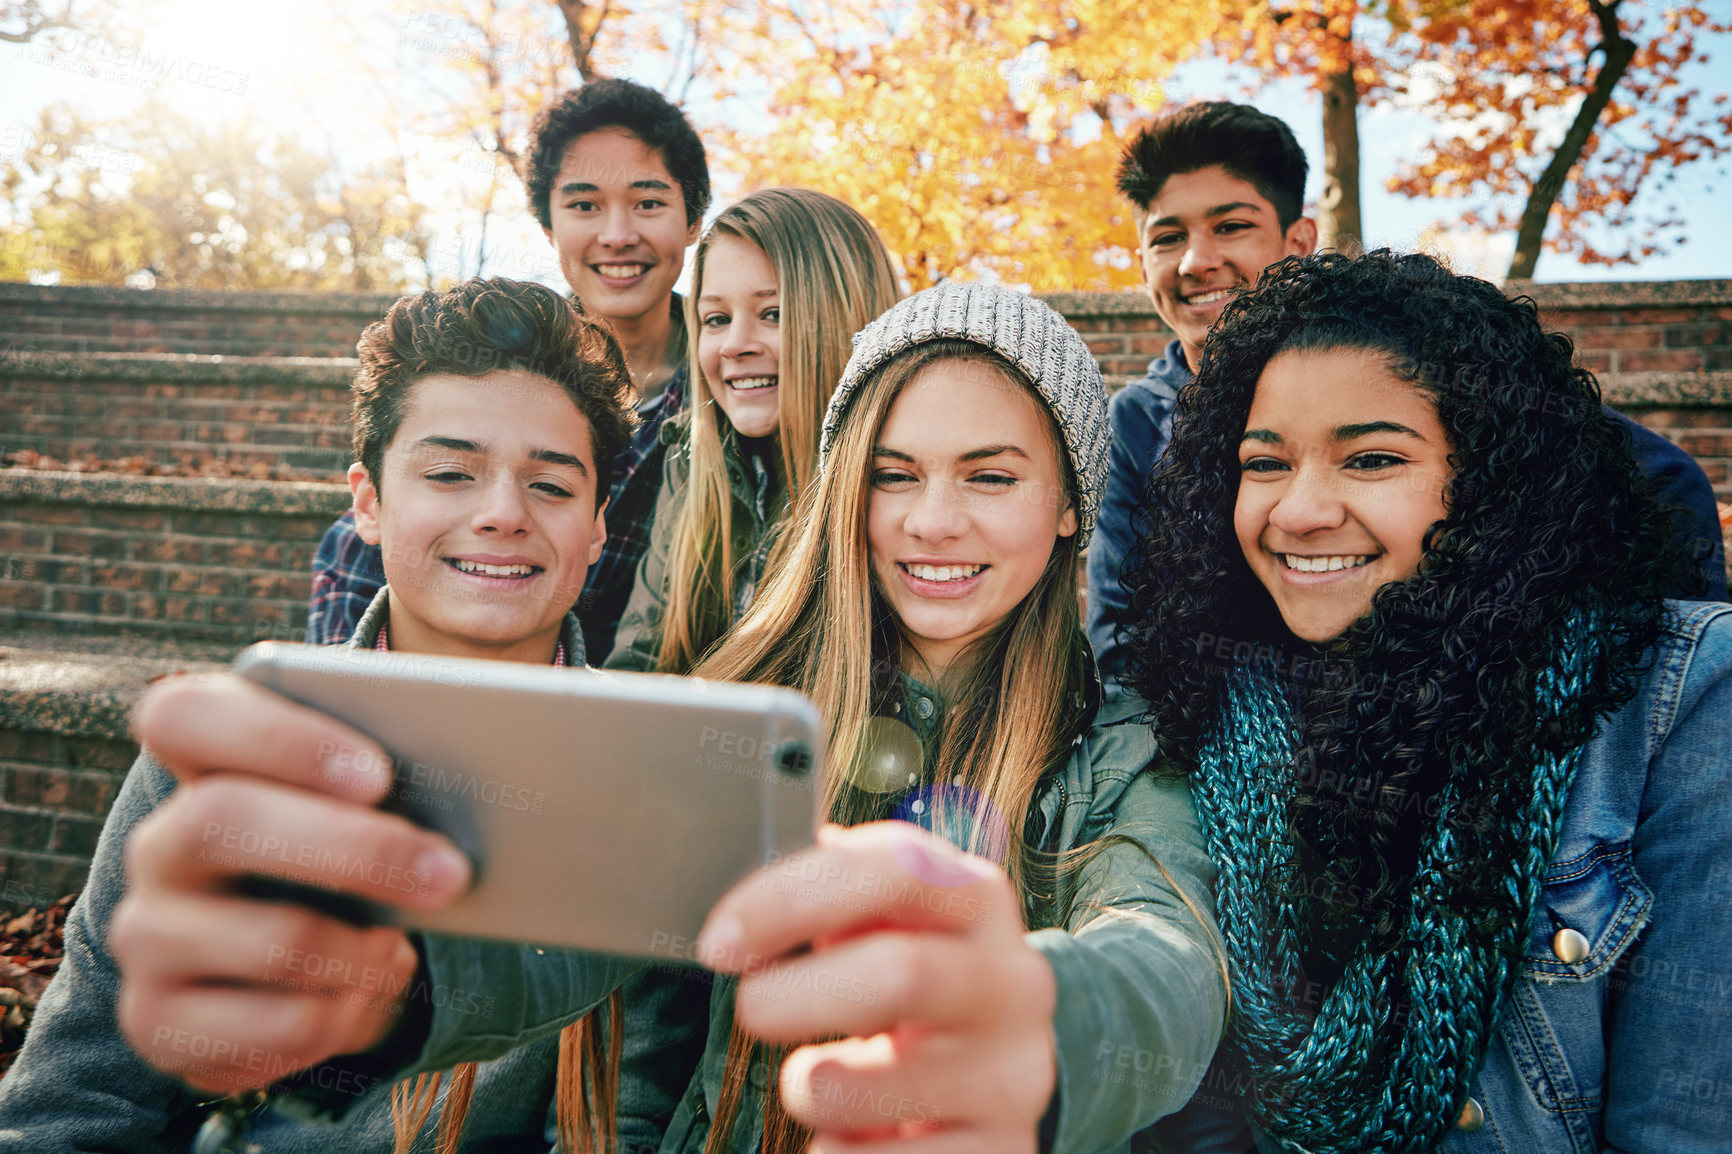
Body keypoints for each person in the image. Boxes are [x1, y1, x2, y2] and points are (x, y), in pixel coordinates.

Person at [108, 283, 1227, 1154]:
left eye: (989, 477)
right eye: (893, 473)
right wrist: (397, 986)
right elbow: (590, 951)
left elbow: (1165, 960)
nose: (933, 522)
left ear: (1072, 499)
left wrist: (1044, 1026)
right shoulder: (737, 708)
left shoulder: (1121, 743)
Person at [0, 278, 636, 1153]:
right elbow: (71, 1106)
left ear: (599, 528)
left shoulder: (654, 780)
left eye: (552, 487)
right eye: (450, 473)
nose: (501, 514)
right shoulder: (242, 761)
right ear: (368, 503)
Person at [1124, 251, 1732, 1153]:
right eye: (1265, 462)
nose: (1299, 510)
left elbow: (1682, 1129)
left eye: (1372, 459)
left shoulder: (1675, 696)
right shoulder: (1205, 711)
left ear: (1492, 480)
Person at [1087, 102, 1725, 685]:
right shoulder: (1141, 421)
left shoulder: (1408, 363)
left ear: (1299, 242)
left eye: (1230, 226)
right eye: (1167, 237)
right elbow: (1120, 643)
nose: (1196, 261)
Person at [307, 77, 712, 661]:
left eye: (649, 203)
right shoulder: (498, 367)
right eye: (583, 205)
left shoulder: (735, 393)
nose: (618, 235)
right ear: (548, 227)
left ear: (693, 221)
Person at [606, 187, 902, 673]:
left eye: (773, 314)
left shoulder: (894, 485)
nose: (734, 345)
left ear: (849, 320)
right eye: (716, 320)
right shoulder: (692, 461)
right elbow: (639, 665)